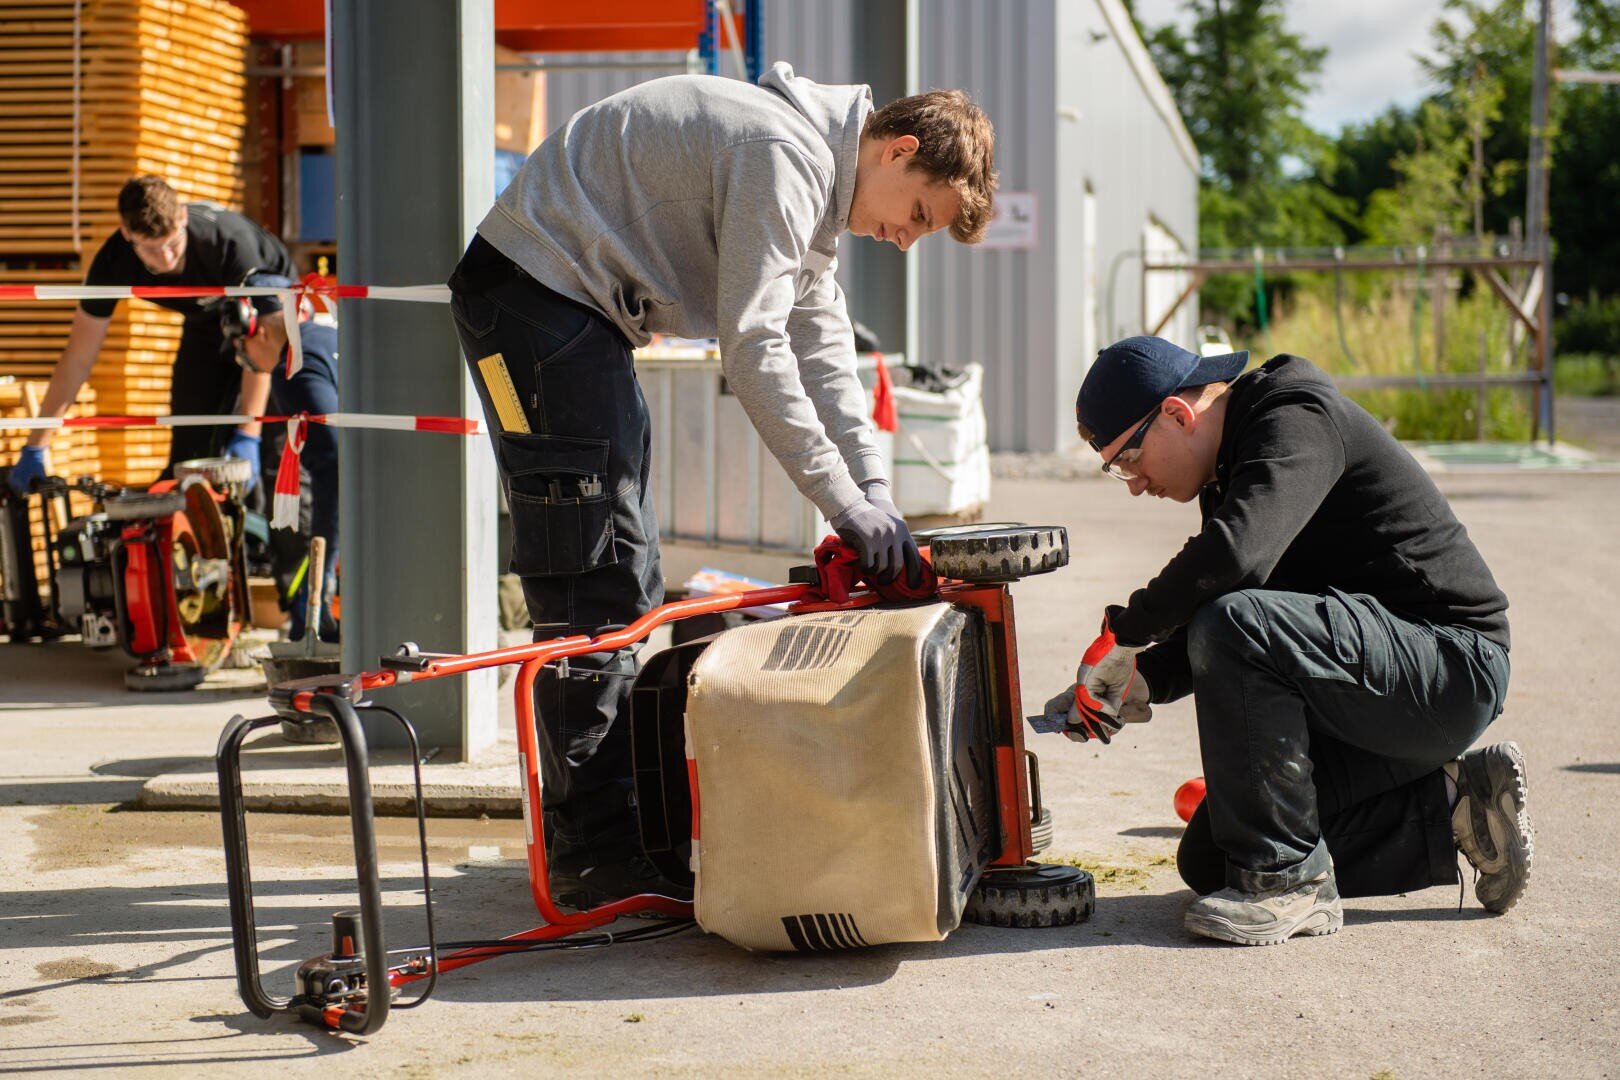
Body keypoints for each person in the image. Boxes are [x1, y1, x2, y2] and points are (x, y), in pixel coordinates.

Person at [448, 63, 996, 908]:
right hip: (534, 299)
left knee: (619, 554)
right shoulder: (784, 156)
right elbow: (755, 349)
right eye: (917, 215)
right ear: (898, 149)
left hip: (567, 310)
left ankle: (614, 833)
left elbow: (822, 348)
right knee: (594, 573)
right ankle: (593, 854)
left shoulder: (814, 188)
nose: (904, 237)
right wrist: (843, 507)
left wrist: (876, 492)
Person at [1042, 335, 1530, 946]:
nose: (1134, 483)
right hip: (1371, 684)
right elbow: (1226, 605)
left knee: (1237, 621)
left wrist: (1126, 635)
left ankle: (1288, 885)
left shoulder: (1294, 416)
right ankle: (1457, 805)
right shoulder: (1230, 466)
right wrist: (1141, 680)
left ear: (1176, 414)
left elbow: (1234, 565)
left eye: (1128, 459)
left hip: (1450, 668)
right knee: (1215, 859)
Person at [7, 176, 294, 496]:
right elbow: (79, 356)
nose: (167, 259)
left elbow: (264, 341)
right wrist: (37, 445)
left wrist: (249, 434)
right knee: (189, 452)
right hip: (205, 321)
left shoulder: (230, 245)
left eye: (173, 244)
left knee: (274, 453)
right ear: (128, 235)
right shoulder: (113, 262)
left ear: (183, 217)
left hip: (278, 320)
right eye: (152, 250)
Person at [218, 276, 340, 642]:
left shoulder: (292, 369)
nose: (246, 361)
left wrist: (324, 574)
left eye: (241, 348)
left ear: (259, 332)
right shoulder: (327, 339)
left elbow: (334, 465)